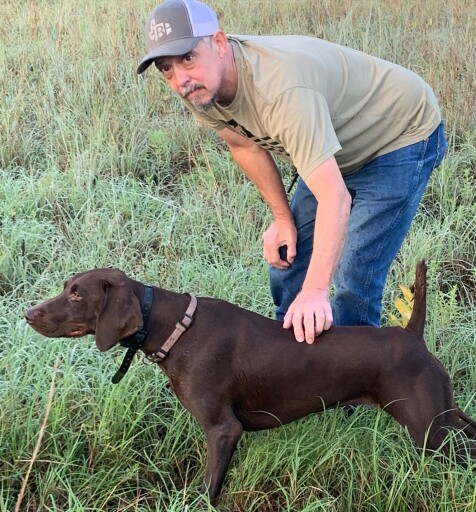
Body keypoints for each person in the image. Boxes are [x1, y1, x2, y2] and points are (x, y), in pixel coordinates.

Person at [137, 0, 448, 344]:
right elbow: (244, 145)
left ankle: (349, 388)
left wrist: (316, 292)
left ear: (220, 43)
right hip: (334, 146)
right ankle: (293, 360)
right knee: (288, 255)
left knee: (353, 276)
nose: (180, 78)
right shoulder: (201, 87)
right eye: (166, 68)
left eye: (188, 58)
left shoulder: (281, 90)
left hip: (399, 135)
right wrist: (282, 218)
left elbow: (334, 198)